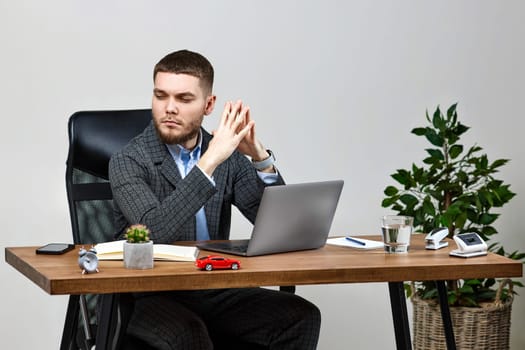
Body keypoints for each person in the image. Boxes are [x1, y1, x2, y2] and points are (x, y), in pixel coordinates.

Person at [109, 49, 321, 350]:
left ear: (208, 105)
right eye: (161, 96)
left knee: (301, 316)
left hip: (214, 286)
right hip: (151, 294)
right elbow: (153, 231)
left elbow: (282, 229)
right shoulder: (128, 160)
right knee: (190, 335)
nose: (169, 108)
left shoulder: (227, 156)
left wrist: (260, 159)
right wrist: (209, 162)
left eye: (184, 99)